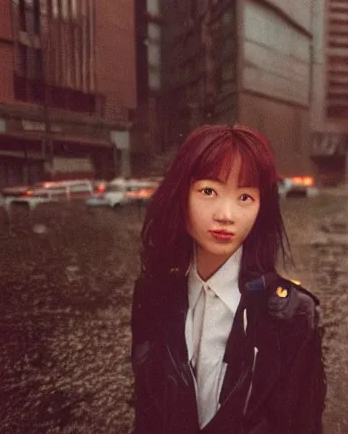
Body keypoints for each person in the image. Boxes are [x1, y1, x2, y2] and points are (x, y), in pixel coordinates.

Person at [131, 124, 326, 433]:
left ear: (261, 207)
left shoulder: (294, 316)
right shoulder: (152, 294)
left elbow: (301, 425)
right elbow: (146, 409)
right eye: (209, 191)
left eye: (245, 197)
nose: (226, 214)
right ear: (181, 195)